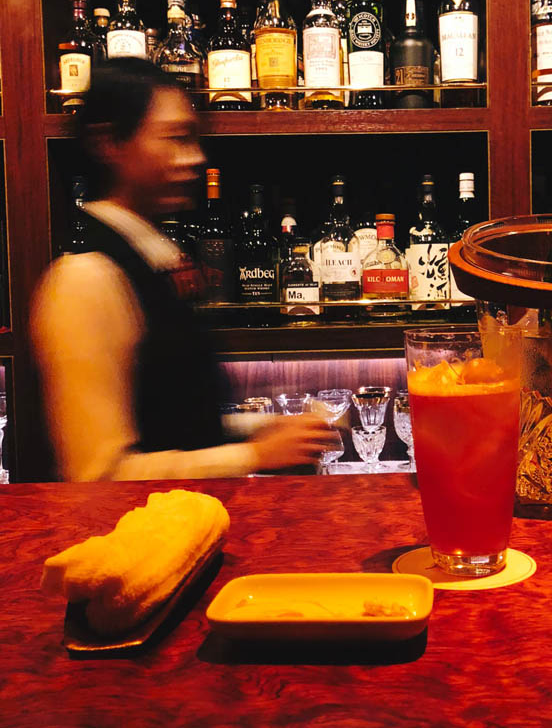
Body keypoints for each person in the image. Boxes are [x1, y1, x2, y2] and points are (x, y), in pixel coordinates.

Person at [30, 58, 336, 481]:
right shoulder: (84, 279)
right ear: (109, 143)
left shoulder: (149, 255)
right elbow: (96, 473)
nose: (194, 157)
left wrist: (257, 430)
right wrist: (252, 457)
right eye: (176, 138)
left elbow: (170, 420)